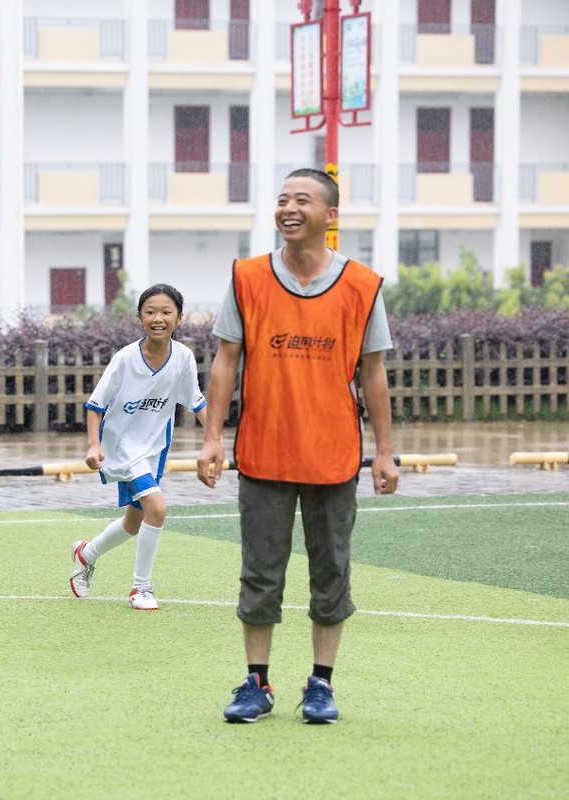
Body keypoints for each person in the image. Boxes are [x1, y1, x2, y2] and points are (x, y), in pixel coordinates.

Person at [195, 167, 399, 724]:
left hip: (334, 456)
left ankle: (321, 684)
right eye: (282, 199)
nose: (288, 208)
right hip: (264, 452)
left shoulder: (362, 285)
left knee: (331, 571)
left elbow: (373, 373)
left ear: (330, 216)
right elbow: (226, 360)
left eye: (302, 200)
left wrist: (384, 451)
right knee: (260, 572)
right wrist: (212, 438)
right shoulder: (247, 277)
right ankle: (256, 682)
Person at [70, 284, 208, 611]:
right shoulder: (125, 359)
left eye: (166, 312)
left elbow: (197, 402)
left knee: (134, 523)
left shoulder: (183, 358)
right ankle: (140, 589)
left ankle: (85, 553)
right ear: (139, 318)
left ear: (179, 319)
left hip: (154, 449)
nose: (158, 318)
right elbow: (95, 405)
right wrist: (93, 445)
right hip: (122, 447)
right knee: (157, 509)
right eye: (150, 312)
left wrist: (215, 439)